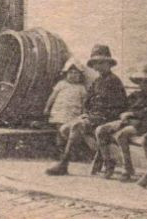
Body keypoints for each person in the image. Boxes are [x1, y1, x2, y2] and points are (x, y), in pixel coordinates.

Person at [45, 44, 126, 176]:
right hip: (93, 116)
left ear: (108, 64)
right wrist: (87, 114)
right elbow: (88, 100)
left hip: (107, 118)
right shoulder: (97, 81)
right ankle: (103, 156)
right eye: (95, 63)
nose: (97, 66)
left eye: (101, 63)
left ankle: (64, 163)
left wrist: (96, 116)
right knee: (65, 129)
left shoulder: (114, 81)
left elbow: (120, 105)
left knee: (77, 126)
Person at [95, 62, 147, 180]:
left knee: (121, 135)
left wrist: (132, 113)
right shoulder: (135, 95)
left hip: (144, 124)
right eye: (141, 81)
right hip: (127, 121)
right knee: (100, 130)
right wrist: (122, 113)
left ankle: (127, 168)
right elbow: (124, 107)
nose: (143, 84)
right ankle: (108, 162)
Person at [42, 62, 88, 147]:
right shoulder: (61, 84)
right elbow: (52, 96)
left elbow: (84, 102)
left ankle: (69, 149)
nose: (73, 75)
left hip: (73, 113)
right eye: (70, 73)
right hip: (60, 112)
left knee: (71, 131)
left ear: (80, 76)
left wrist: (84, 113)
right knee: (60, 131)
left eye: (76, 73)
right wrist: (47, 107)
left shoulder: (81, 88)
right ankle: (60, 148)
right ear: (66, 74)